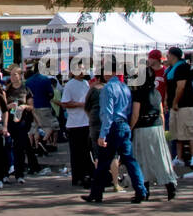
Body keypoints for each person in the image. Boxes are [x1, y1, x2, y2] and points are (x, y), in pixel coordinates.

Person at [82, 72, 147, 204]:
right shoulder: (124, 87)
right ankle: (141, 191)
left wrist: (103, 134)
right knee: (130, 160)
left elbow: (108, 113)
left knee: (103, 161)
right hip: (123, 125)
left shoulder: (108, 88)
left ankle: (96, 193)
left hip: (113, 127)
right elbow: (128, 110)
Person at [130, 58, 178, 201]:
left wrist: (130, 128)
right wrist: (162, 130)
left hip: (142, 128)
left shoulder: (138, 93)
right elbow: (162, 113)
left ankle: (144, 190)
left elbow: (135, 114)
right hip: (156, 127)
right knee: (160, 158)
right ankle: (170, 186)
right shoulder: (156, 93)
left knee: (142, 159)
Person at [164, 47, 193, 170]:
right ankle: (179, 158)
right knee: (176, 134)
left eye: (168, 55)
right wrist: (167, 101)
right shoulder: (169, 70)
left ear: (173, 56)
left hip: (186, 105)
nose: (166, 57)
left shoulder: (182, 67)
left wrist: (175, 102)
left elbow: (181, 86)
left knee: (189, 132)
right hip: (174, 107)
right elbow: (169, 87)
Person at [61, 67, 92, 187]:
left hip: (86, 122)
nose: (82, 72)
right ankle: (77, 177)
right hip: (74, 124)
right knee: (76, 153)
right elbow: (65, 103)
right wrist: (80, 104)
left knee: (86, 151)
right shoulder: (69, 85)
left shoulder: (86, 83)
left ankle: (87, 175)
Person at [25, 65, 59, 151]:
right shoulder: (45, 79)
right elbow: (51, 93)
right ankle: (43, 142)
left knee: (35, 127)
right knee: (52, 126)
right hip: (44, 105)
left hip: (32, 106)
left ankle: (35, 146)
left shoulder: (28, 81)